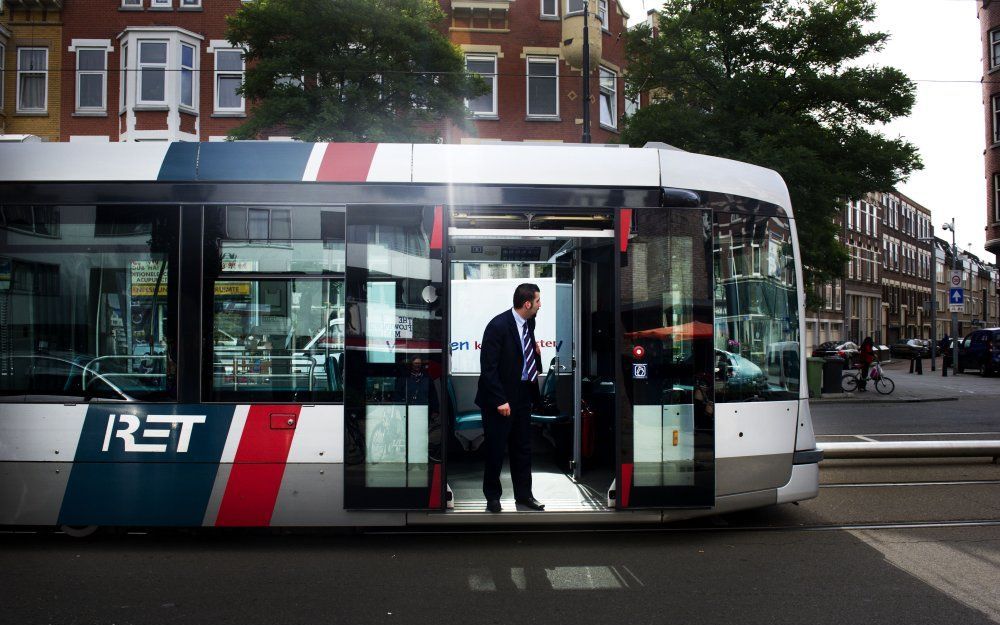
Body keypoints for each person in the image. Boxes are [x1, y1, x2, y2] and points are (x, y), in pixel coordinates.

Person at [475, 283, 545, 513]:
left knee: (523, 449)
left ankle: (524, 496)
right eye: (537, 301)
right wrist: (499, 400)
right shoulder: (497, 326)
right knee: (496, 450)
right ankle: (492, 497)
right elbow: (488, 369)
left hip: (523, 395)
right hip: (499, 400)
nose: (539, 305)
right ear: (527, 304)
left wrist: (536, 355)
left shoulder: (529, 322)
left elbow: (524, 357)